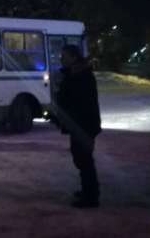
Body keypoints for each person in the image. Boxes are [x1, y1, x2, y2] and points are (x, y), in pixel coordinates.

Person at [56, 44, 102, 208]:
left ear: (74, 57)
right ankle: (88, 191)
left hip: (83, 125)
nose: (61, 59)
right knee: (81, 158)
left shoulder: (81, 76)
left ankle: (91, 197)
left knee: (84, 159)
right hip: (80, 124)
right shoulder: (75, 74)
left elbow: (77, 102)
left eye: (64, 56)